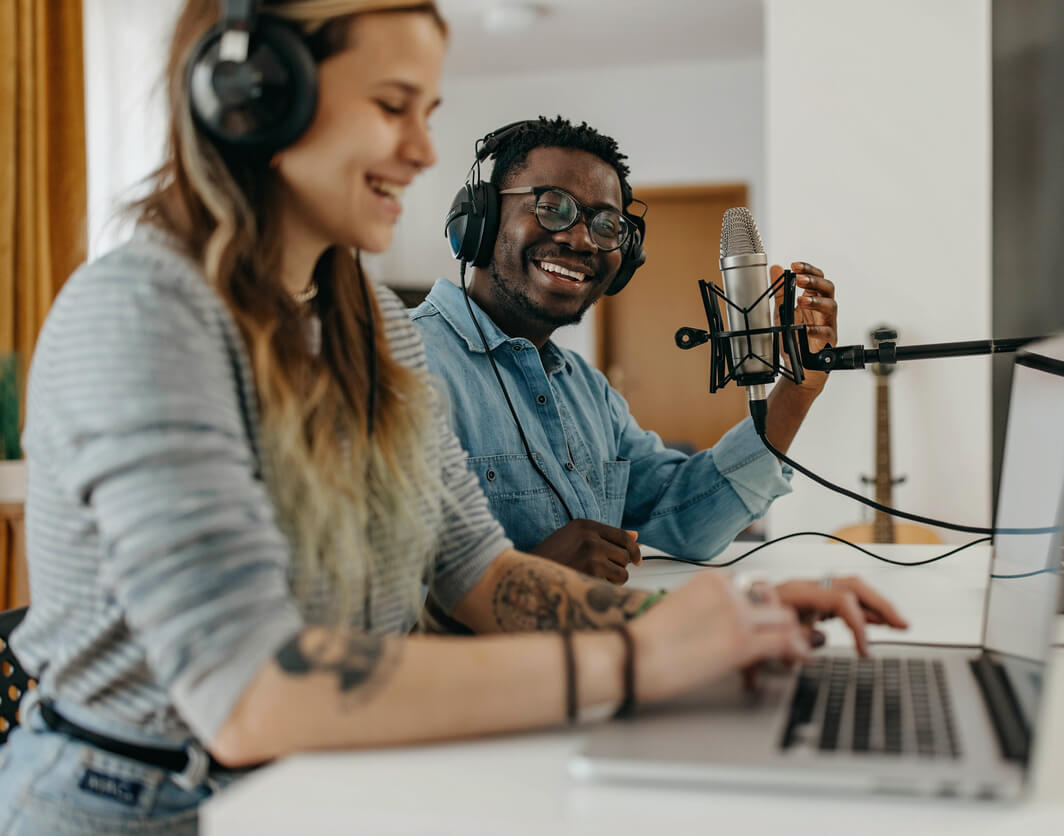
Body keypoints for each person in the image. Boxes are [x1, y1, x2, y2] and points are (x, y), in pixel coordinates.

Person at [0, 2, 905, 832]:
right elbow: (248, 694)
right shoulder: (142, 312)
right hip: (140, 804)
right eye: (393, 105)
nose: (425, 152)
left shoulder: (367, 319)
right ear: (255, 96)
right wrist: (639, 659)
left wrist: (731, 618)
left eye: (426, 114)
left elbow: (477, 569)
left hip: (319, 784)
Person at [412, 116, 838, 583]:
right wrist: (528, 574)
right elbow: (356, 598)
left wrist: (798, 390)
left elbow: (690, 519)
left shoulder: (586, 391)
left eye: (606, 224)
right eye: (551, 207)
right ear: (483, 218)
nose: (580, 239)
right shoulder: (402, 364)